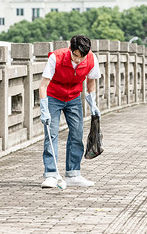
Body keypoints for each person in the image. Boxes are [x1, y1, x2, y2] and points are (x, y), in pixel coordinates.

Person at [39, 35, 101, 188]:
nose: (78, 60)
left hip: (73, 98)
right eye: (75, 56)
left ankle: (73, 173)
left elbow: (91, 82)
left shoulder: (91, 59)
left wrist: (92, 103)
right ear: (70, 50)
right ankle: (51, 174)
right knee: (51, 133)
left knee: (77, 133)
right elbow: (43, 85)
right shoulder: (56, 58)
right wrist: (44, 109)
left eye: (82, 57)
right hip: (53, 96)